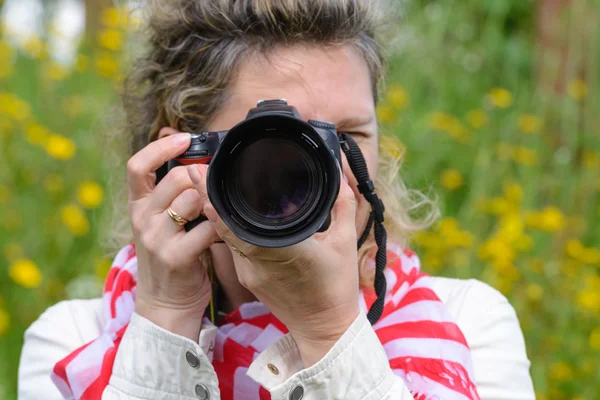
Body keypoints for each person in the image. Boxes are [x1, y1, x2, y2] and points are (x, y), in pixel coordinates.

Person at [18, 1, 536, 399]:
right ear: (179, 156)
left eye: (347, 137)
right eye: (278, 141)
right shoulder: (73, 341)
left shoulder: (469, 322)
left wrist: (330, 331)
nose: (325, 172)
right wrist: (166, 318)